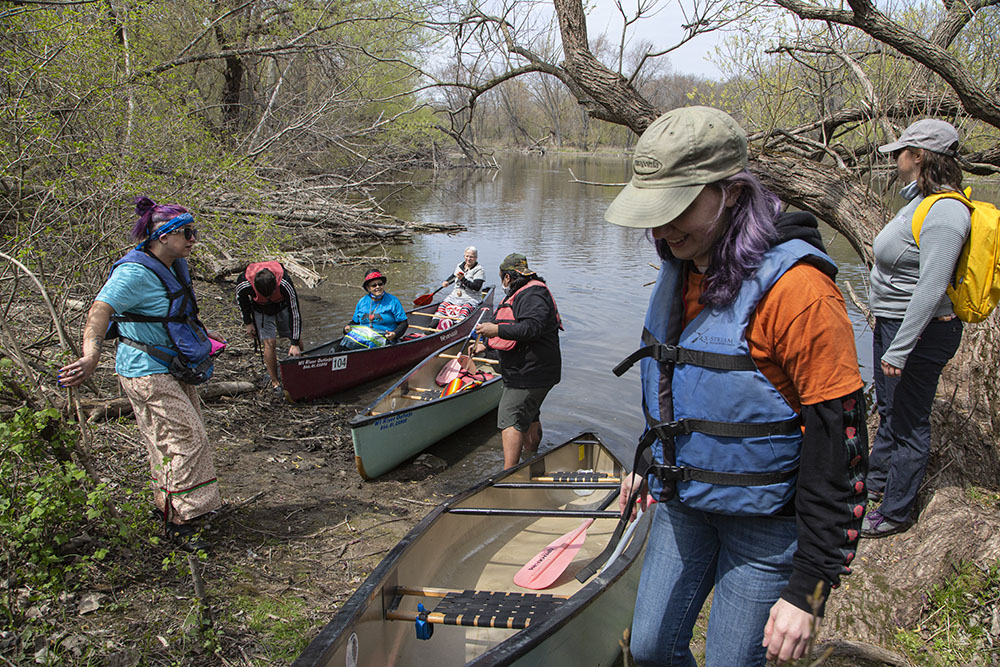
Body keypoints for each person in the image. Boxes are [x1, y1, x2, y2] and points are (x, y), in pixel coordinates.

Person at [603, 106, 868, 666]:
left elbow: (840, 444)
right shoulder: (683, 266)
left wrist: (810, 590)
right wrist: (650, 464)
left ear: (730, 192)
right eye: (654, 210)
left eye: (676, 209)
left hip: (770, 526)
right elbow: (681, 388)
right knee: (649, 648)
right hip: (685, 504)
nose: (661, 228)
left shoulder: (800, 292)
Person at [58, 196, 225, 551]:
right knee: (186, 437)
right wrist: (91, 355)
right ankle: (182, 522)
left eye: (193, 232)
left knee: (172, 436)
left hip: (172, 365)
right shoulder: (133, 273)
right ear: (162, 237)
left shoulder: (174, 264)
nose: (193, 239)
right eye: (186, 233)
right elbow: (100, 311)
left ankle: (169, 507)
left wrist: (204, 337)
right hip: (145, 371)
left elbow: (172, 315)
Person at [862, 119, 969, 538]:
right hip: (895, 324)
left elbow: (930, 287)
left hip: (919, 334)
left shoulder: (946, 211)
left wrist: (900, 349)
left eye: (901, 152)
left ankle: (895, 512)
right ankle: (873, 487)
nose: (896, 160)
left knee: (909, 422)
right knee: (890, 412)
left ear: (919, 156)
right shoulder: (921, 200)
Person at [474, 253, 562, 468]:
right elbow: (516, 330)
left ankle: (508, 475)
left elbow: (532, 328)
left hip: (530, 373)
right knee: (529, 417)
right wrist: (486, 345)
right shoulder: (525, 292)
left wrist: (496, 329)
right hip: (531, 372)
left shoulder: (533, 294)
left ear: (507, 277)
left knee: (510, 418)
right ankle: (530, 460)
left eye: (501, 277)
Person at [236, 261, 303, 394]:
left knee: (294, 335)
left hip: (281, 305)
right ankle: (275, 382)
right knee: (269, 343)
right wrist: (248, 322)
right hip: (260, 310)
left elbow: (295, 313)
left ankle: (302, 366)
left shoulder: (284, 283)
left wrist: (294, 342)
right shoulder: (244, 283)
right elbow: (242, 301)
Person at [339, 269, 408, 350]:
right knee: (346, 340)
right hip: (363, 338)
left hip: (385, 339)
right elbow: (355, 322)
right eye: (374, 285)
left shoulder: (393, 301)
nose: (377, 287)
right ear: (368, 288)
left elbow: (404, 323)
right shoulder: (362, 302)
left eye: (380, 284)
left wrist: (394, 334)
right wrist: (346, 328)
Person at [432, 246, 485, 329]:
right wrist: (447, 282)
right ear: (464, 256)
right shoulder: (460, 265)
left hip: (471, 298)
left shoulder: (479, 270)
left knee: (464, 311)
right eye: (467, 256)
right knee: (442, 307)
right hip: (455, 296)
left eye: (471, 257)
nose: (468, 259)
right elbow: (454, 276)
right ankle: (431, 328)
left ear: (476, 258)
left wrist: (463, 279)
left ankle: (454, 329)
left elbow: (476, 287)